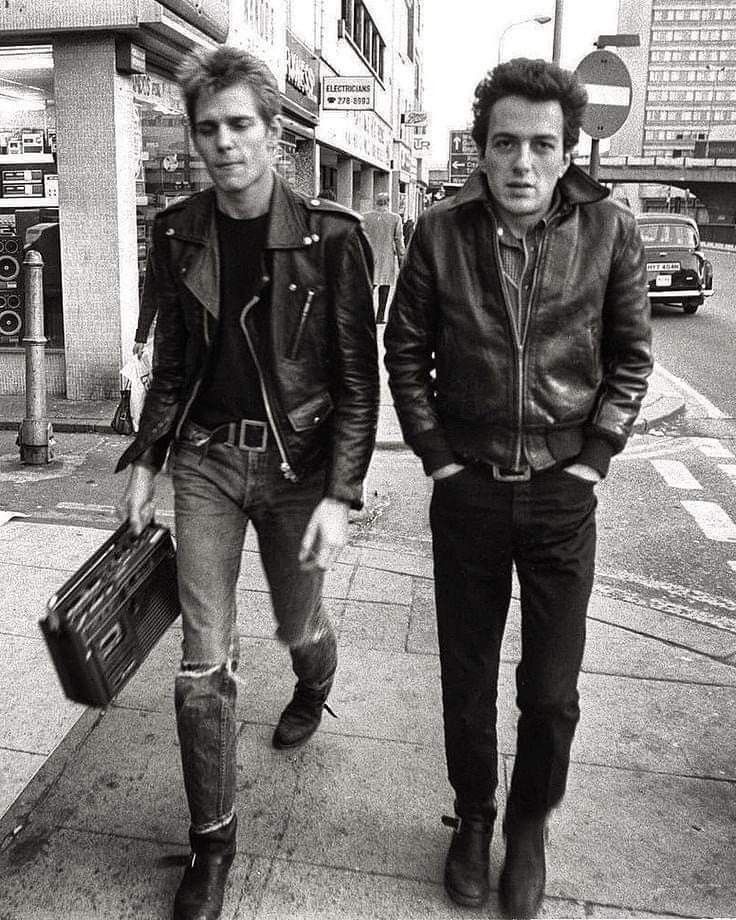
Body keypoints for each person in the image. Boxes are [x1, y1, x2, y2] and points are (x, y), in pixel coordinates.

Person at [384, 58, 652, 919]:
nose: (522, 164)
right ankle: (473, 818)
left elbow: (631, 359)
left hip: (561, 495)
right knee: (466, 677)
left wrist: (594, 457)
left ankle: (528, 826)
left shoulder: (610, 230)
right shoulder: (438, 232)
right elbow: (406, 352)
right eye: (506, 144)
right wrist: (435, 455)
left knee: (550, 690)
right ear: (483, 148)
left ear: (566, 152)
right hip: (468, 490)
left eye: (542, 145)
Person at [117, 45, 378, 920]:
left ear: (276, 134)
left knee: (298, 622)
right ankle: (214, 844)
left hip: (299, 467)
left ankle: (313, 682)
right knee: (202, 665)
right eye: (208, 128)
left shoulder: (332, 238)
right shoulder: (179, 228)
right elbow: (176, 358)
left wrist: (341, 496)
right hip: (205, 462)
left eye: (240, 126)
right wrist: (148, 461)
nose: (223, 143)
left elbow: (355, 377)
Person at [362, 191, 405, 323]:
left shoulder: (365, 217)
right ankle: (380, 316)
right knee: (385, 286)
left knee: (369, 286)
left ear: (376, 202)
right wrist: (402, 258)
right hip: (386, 257)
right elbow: (398, 240)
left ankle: (365, 315)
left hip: (369, 256)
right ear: (388, 202)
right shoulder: (395, 218)